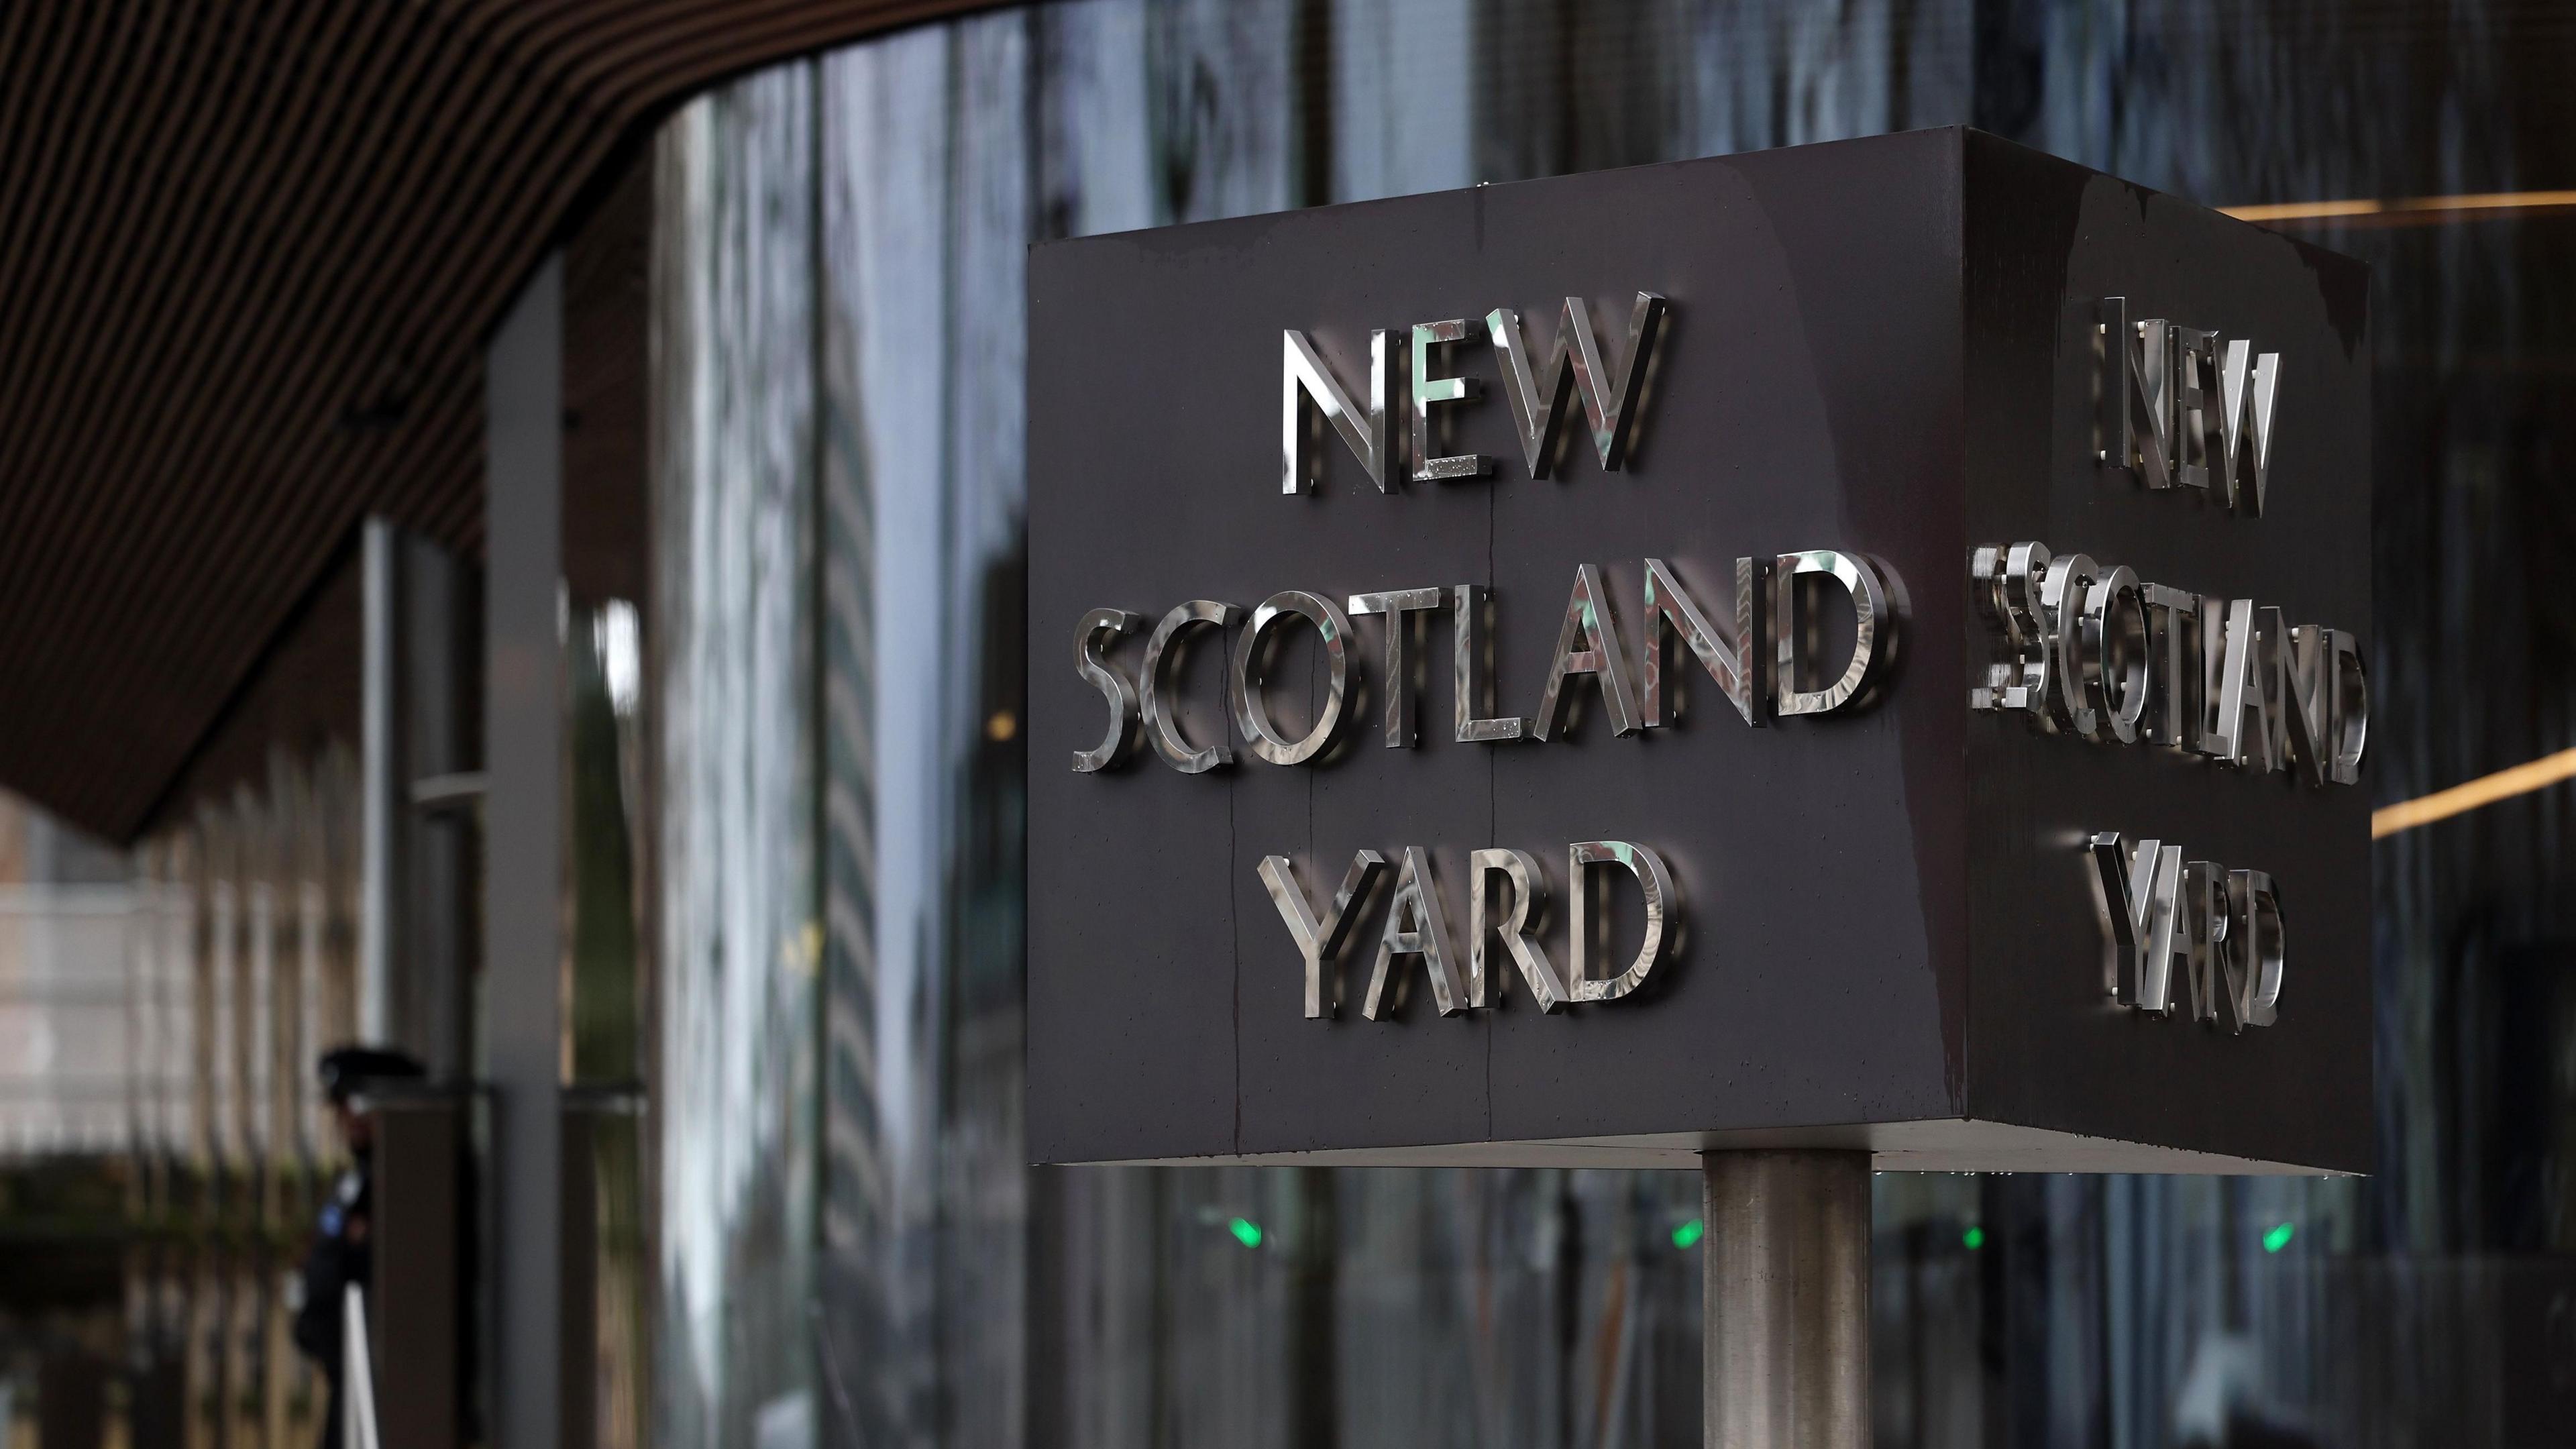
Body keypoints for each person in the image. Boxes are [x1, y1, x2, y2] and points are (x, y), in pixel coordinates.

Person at [292, 1044, 426, 1449]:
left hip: (382, 1377)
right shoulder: (358, 1180)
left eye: (355, 1106)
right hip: (348, 1374)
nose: (346, 1120)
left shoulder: (406, 1178)